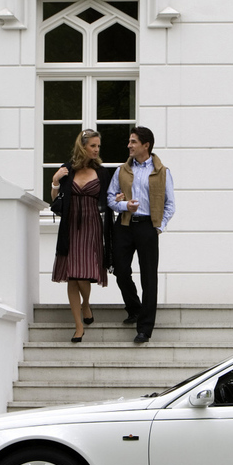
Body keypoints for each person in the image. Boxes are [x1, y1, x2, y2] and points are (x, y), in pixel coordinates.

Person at [106, 126, 175, 344]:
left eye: (133, 141)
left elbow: (170, 205)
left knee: (149, 277)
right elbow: (110, 199)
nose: (129, 145)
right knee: (120, 269)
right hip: (124, 226)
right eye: (129, 141)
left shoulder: (163, 172)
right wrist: (125, 204)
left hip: (147, 227)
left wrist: (159, 226)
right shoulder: (121, 171)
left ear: (146, 145)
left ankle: (145, 328)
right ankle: (134, 307)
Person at [49, 129, 114, 343]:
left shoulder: (103, 173)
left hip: (92, 226)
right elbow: (55, 200)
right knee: (72, 276)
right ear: (82, 146)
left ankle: (86, 303)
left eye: (98, 146)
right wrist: (56, 181)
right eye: (93, 146)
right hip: (70, 226)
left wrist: (119, 198)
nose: (96, 150)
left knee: (83, 274)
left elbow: (109, 199)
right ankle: (79, 326)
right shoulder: (68, 169)